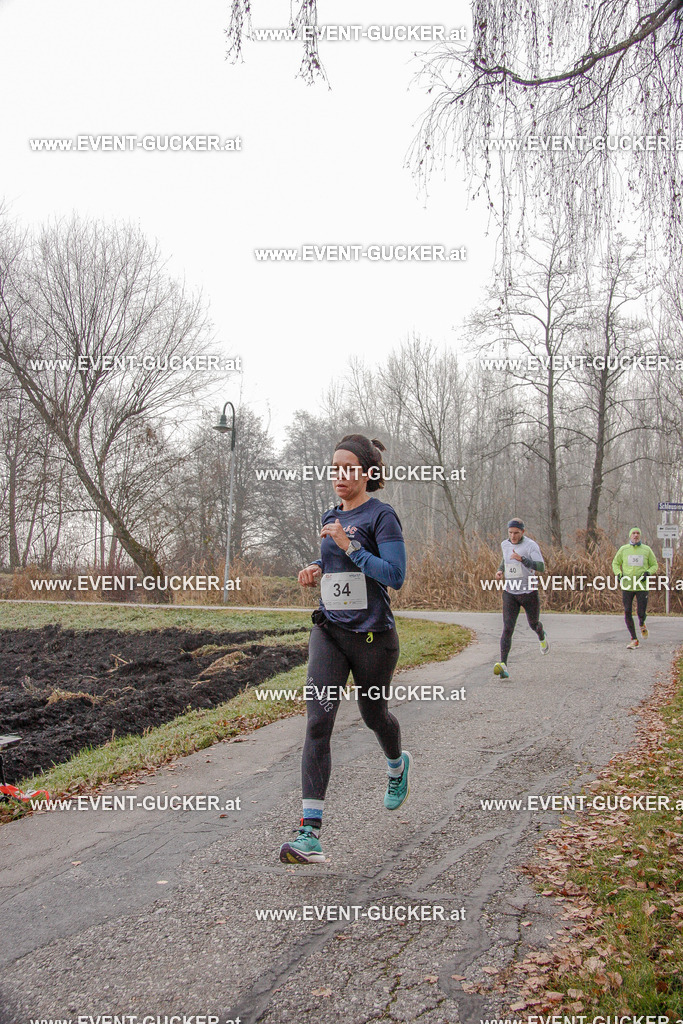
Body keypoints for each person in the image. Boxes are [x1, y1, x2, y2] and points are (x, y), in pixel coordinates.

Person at [279, 434, 409, 864]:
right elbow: (336, 564)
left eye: (349, 468)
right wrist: (317, 567)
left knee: (374, 715)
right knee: (318, 722)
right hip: (330, 631)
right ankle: (309, 834)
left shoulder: (382, 516)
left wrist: (349, 547)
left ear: (368, 473)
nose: (340, 476)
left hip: (373, 636)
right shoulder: (330, 515)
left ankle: (396, 764)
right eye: (334, 468)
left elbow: (394, 576)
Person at [492, 518, 549, 680]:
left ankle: (541, 635)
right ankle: (503, 665)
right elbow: (505, 559)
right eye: (510, 533)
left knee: (533, 624)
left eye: (516, 533)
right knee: (507, 628)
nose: (513, 536)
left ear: (523, 532)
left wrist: (522, 559)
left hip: (529, 592)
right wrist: (500, 570)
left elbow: (541, 567)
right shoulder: (505, 544)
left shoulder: (531, 546)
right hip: (510, 592)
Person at [611, 527, 658, 649]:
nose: (636, 535)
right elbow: (615, 563)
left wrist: (648, 573)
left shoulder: (646, 550)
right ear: (630, 535)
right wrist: (618, 574)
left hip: (641, 586)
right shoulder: (624, 549)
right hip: (627, 585)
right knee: (627, 611)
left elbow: (654, 565)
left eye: (638, 533)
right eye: (633, 533)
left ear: (640, 536)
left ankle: (642, 623)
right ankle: (634, 639)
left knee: (641, 612)